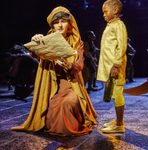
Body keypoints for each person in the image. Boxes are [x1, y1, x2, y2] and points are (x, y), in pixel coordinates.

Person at [11, 6, 97, 136]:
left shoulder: (76, 42)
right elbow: (37, 56)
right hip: (52, 87)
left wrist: (70, 65)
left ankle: (71, 126)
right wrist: (36, 44)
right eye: (56, 23)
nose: (60, 25)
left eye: (63, 21)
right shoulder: (48, 39)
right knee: (53, 110)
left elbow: (79, 66)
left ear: (70, 23)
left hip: (70, 86)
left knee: (69, 103)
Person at [97, 0, 128, 133]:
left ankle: (119, 125)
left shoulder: (119, 25)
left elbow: (121, 46)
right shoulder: (111, 25)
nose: (103, 14)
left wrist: (116, 65)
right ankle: (118, 120)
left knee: (117, 94)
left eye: (105, 11)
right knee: (114, 94)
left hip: (116, 67)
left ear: (115, 10)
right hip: (111, 68)